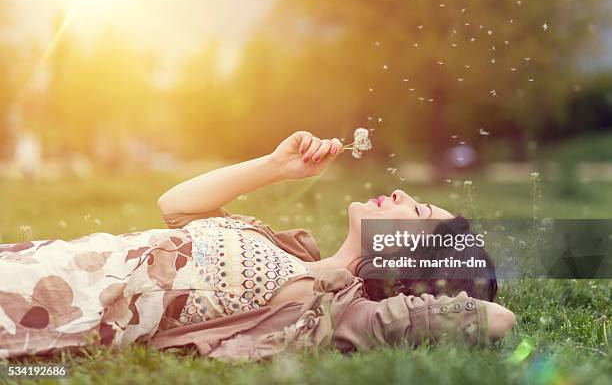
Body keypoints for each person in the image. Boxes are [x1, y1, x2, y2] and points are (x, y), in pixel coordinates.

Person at [0, 131, 514, 359]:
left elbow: (496, 320)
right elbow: (177, 205)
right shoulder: (290, 251)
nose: (404, 194)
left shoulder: (330, 310)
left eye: (419, 211)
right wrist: (276, 168)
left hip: (63, 305)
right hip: (48, 260)